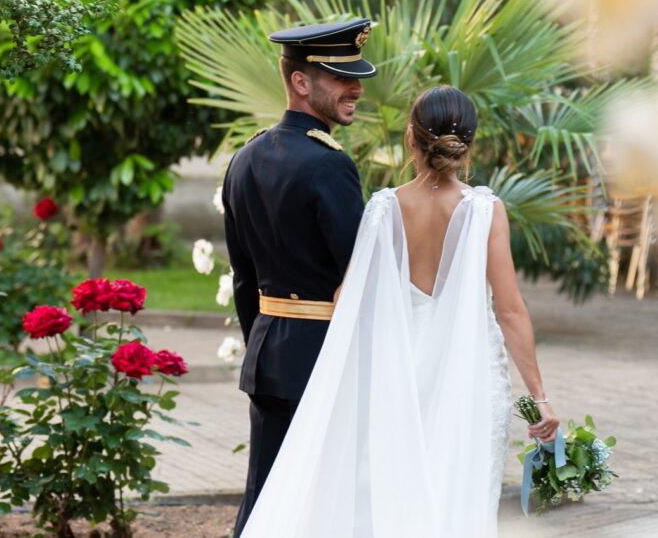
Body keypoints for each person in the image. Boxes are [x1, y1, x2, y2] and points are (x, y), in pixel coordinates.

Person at [239, 85, 560, 538]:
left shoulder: (383, 208)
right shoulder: (486, 211)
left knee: (389, 499)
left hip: (394, 378)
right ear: (470, 144)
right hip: (466, 380)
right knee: (458, 499)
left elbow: (347, 301)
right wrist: (538, 402)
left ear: (411, 138)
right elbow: (510, 312)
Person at [222, 18, 378, 537]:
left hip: (268, 355)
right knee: (322, 507)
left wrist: (262, 345)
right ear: (301, 83)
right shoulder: (329, 164)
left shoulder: (244, 158)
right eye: (340, 76)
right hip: (324, 359)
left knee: (263, 501)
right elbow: (358, 274)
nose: (355, 87)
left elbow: (244, 280)